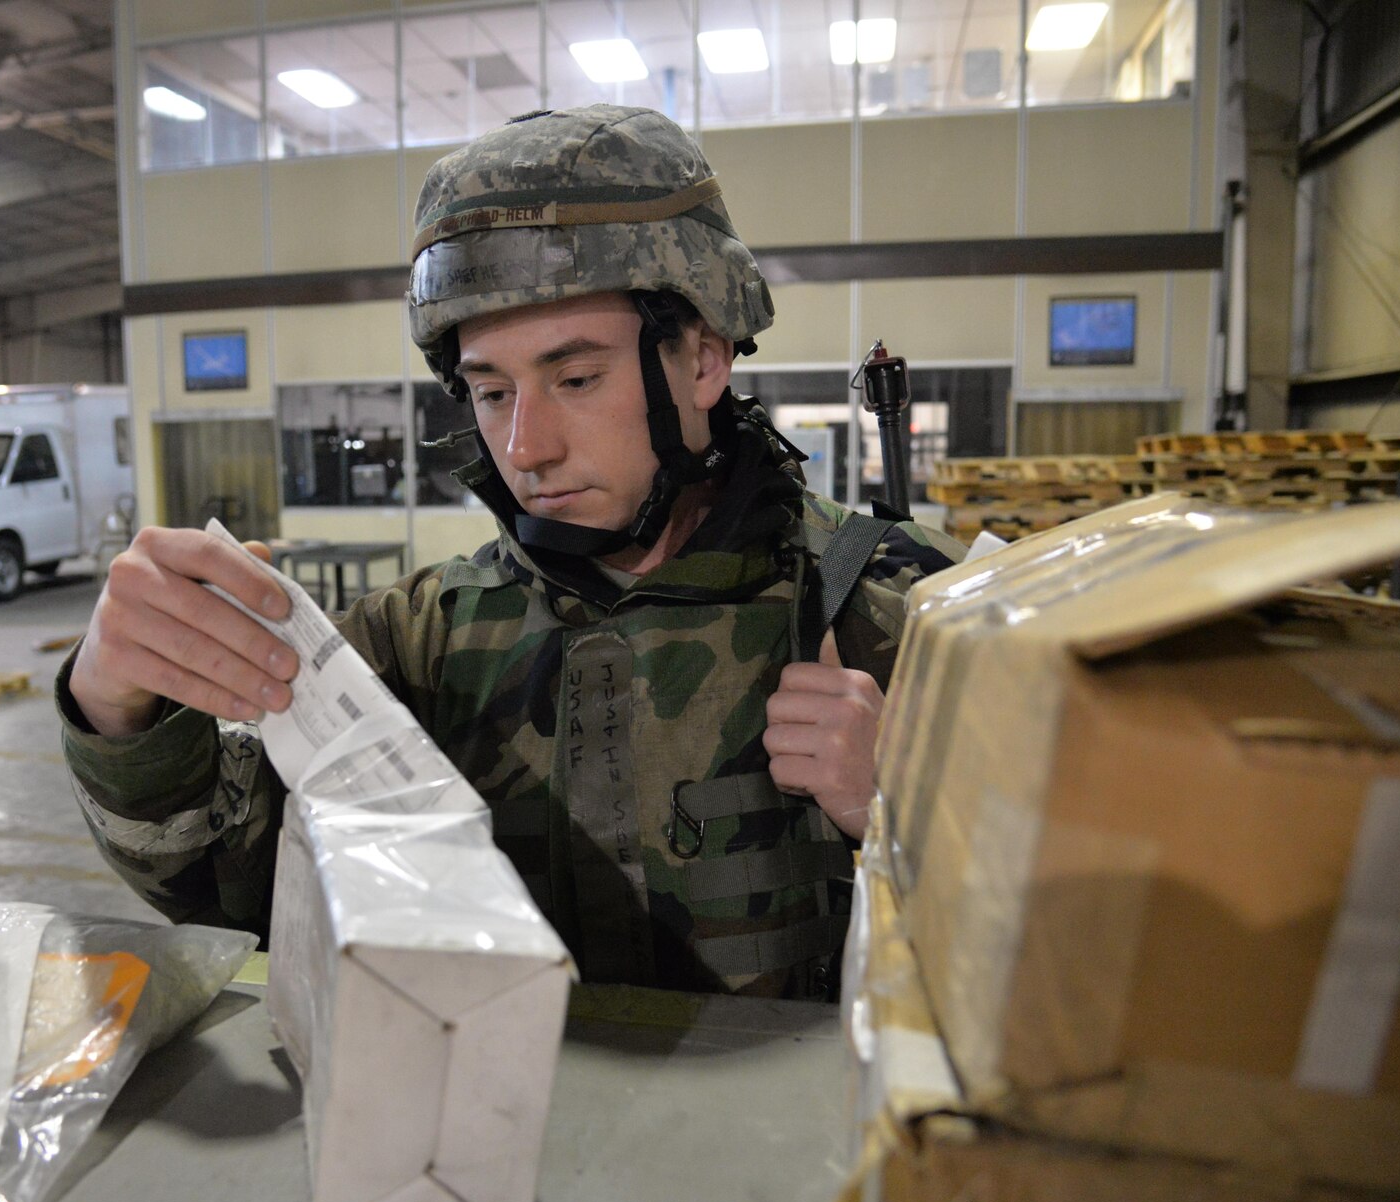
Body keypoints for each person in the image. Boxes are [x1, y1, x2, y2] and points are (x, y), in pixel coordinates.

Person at [59, 105, 963, 997]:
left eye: (575, 379)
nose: (526, 447)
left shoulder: (905, 607)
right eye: (492, 394)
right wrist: (119, 708)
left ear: (703, 359)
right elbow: (222, 888)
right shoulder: (419, 642)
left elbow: (1079, 966)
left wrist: (915, 808)